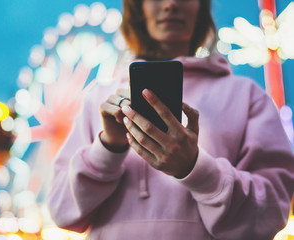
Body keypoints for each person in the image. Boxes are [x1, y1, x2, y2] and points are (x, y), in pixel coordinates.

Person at [47, 0, 294, 239]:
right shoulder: (99, 100)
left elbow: (272, 212)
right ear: (138, 8)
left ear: (200, 7)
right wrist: (109, 147)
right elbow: (62, 212)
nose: (170, 4)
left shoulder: (246, 96)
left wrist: (195, 168)